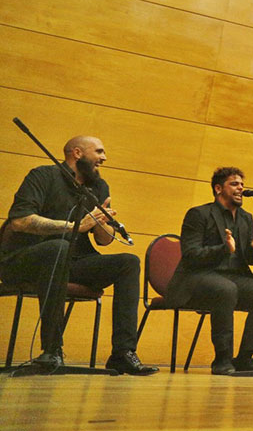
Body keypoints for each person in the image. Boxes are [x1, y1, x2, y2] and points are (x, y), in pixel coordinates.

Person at [0, 136, 158, 375]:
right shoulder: (42, 176)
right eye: (99, 151)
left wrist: (100, 221)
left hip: (75, 260)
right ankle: (51, 351)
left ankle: (123, 353)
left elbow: (103, 240)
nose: (104, 158)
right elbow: (20, 220)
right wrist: (74, 226)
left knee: (128, 262)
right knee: (58, 248)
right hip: (26, 258)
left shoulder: (98, 187)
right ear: (77, 153)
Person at [166, 167, 253, 375]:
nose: (241, 188)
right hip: (198, 277)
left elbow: (246, 258)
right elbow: (191, 254)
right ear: (218, 188)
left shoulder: (246, 218)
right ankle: (222, 359)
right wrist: (223, 249)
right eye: (234, 184)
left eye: (242, 184)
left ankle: (245, 357)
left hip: (234, 278)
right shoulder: (199, 214)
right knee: (225, 289)